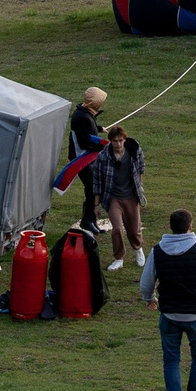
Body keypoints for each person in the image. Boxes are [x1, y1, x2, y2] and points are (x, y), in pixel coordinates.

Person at [138, 207, 196, 391]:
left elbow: (146, 284)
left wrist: (151, 299)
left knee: (171, 361)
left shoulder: (157, 251)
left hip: (169, 315)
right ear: (190, 227)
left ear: (171, 228)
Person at [55, 86, 109, 232]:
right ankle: (87, 221)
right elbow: (85, 141)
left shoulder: (84, 114)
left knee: (92, 187)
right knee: (91, 188)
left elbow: (87, 128)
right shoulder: (82, 117)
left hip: (86, 158)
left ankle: (91, 220)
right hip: (82, 158)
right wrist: (104, 146)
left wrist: (98, 128)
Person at [95, 124, 145, 269]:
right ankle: (119, 258)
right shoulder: (103, 157)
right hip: (113, 197)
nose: (118, 144)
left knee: (134, 228)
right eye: (115, 141)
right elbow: (97, 181)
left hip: (131, 195)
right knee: (117, 229)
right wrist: (96, 204)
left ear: (125, 139)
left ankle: (138, 249)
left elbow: (141, 167)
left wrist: (139, 187)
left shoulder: (134, 150)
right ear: (110, 141)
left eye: (120, 140)